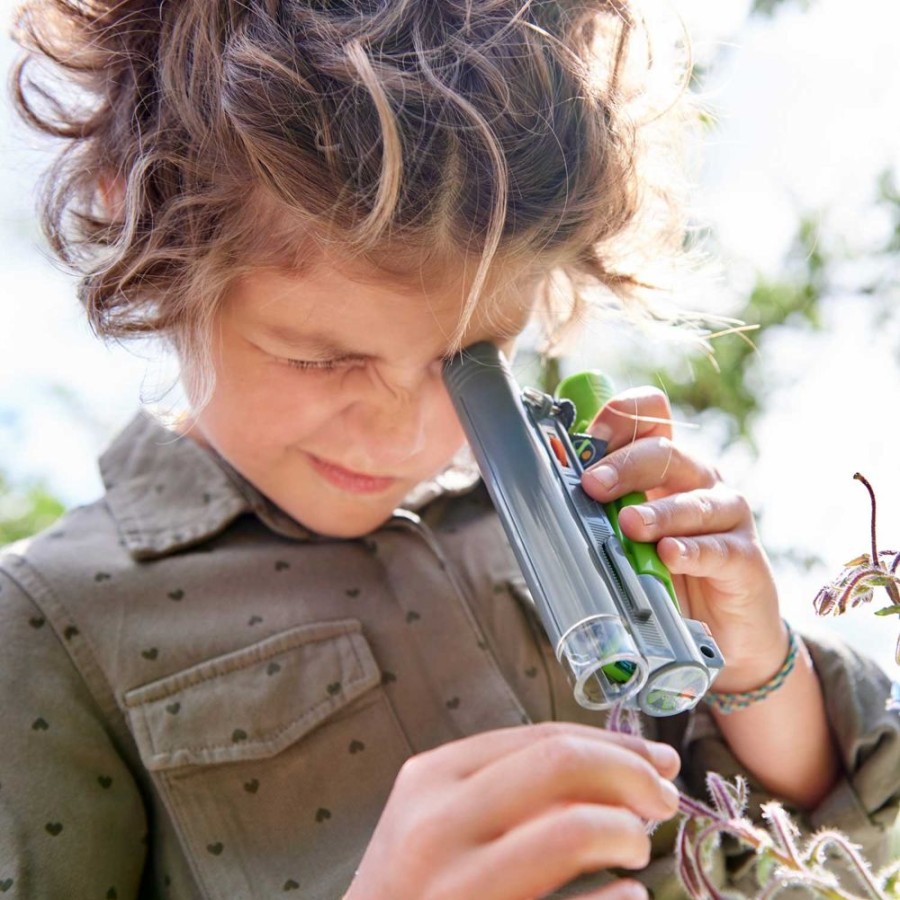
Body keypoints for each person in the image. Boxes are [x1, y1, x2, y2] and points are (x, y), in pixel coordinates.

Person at [2, 1, 897, 898]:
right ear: (142, 222)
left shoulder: (574, 518)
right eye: (321, 358)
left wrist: (756, 671)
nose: (406, 435)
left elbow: (820, 855)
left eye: (474, 363)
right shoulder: (47, 619)